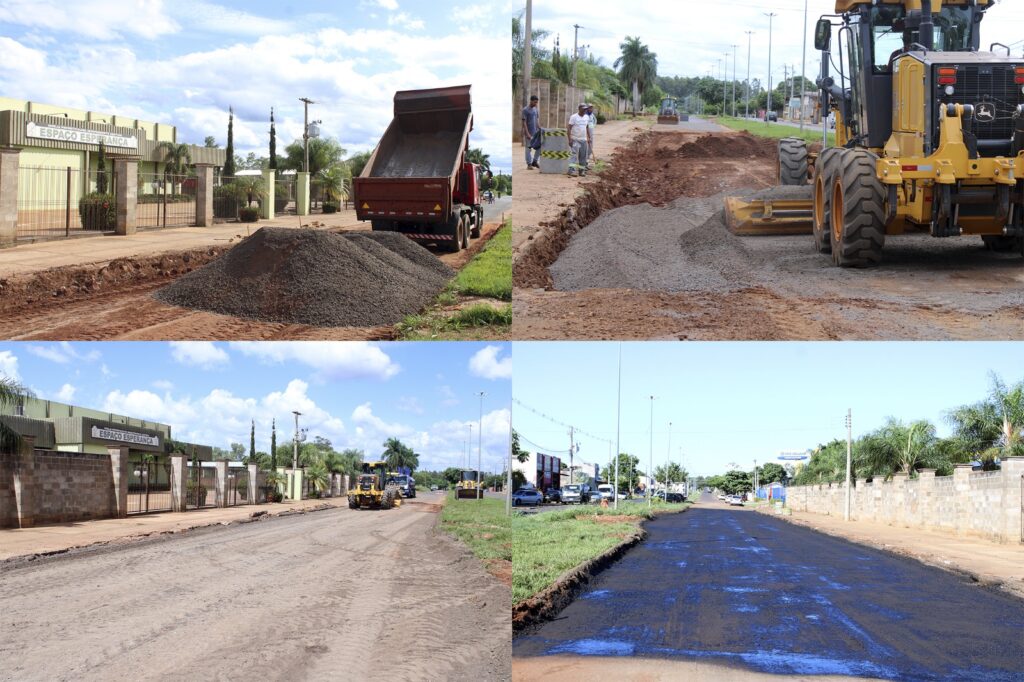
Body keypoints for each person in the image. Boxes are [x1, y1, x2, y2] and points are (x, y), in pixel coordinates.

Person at [567, 102, 592, 177]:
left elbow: (586, 127)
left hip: (583, 140)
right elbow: (569, 128)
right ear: (579, 109)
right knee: (574, 155)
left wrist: (588, 137)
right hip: (575, 139)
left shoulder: (586, 117)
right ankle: (571, 170)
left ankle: (581, 171)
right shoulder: (574, 117)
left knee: (583, 156)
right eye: (583, 109)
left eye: (585, 109)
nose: (584, 111)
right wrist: (570, 139)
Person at [521, 95, 542, 169]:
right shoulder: (525, 110)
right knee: (528, 149)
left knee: (540, 147)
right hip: (528, 133)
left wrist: (540, 129)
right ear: (531, 101)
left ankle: (535, 161)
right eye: (535, 102)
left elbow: (536, 121)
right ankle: (529, 164)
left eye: (537, 102)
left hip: (536, 133)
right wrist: (527, 134)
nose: (536, 104)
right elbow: (524, 123)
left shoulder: (536, 109)